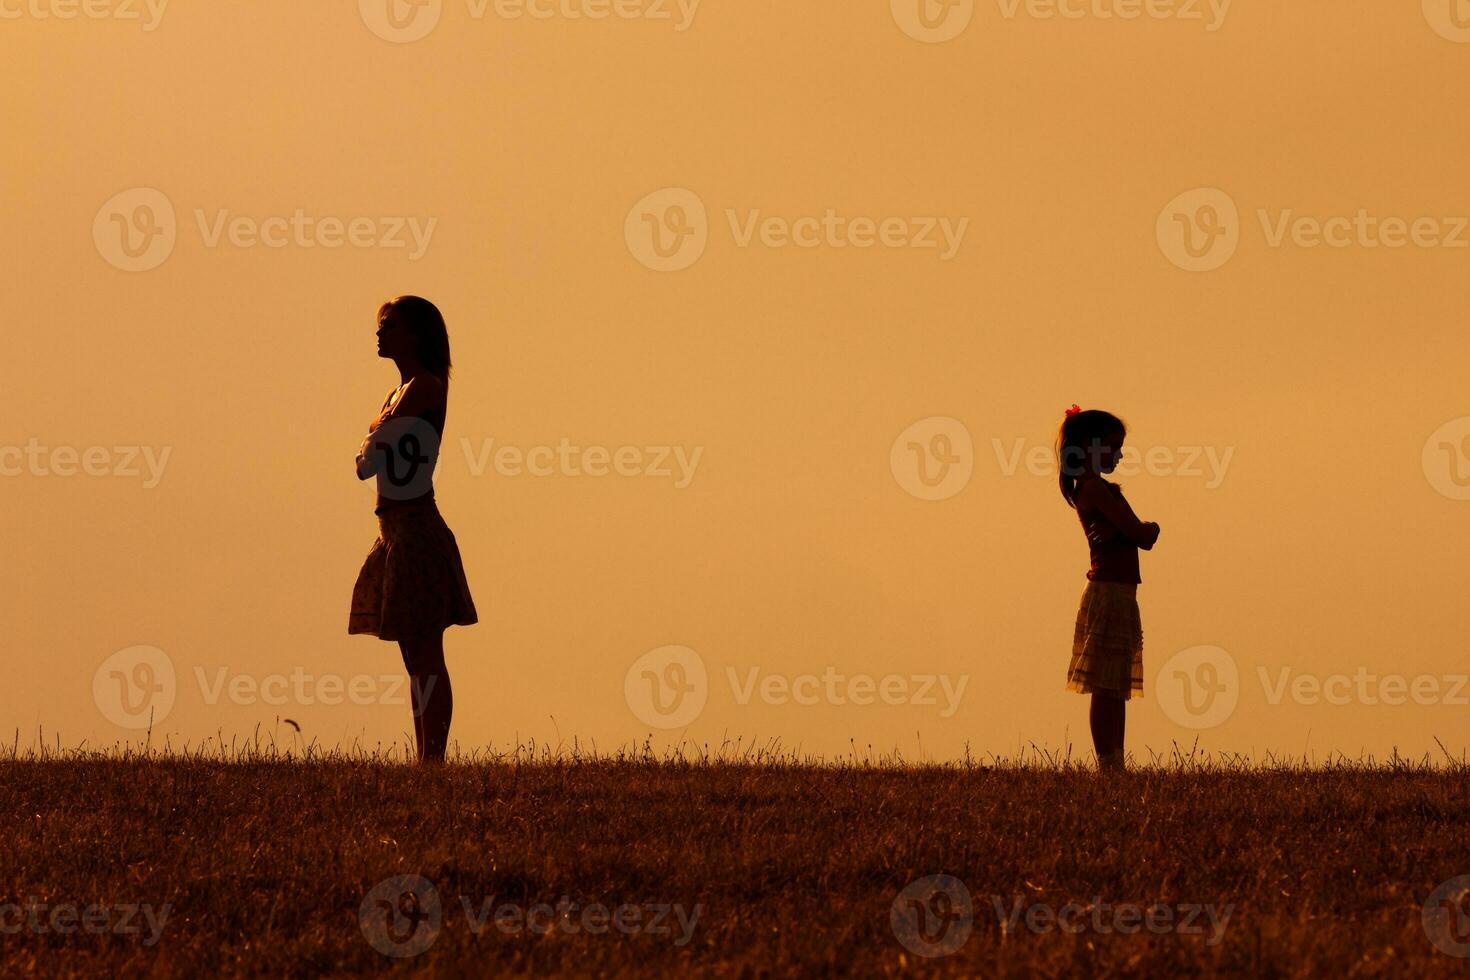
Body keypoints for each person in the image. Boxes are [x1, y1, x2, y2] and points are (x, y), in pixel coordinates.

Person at [348, 296, 478, 762]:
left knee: (426, 654)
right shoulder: (399, 391)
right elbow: (370, 453)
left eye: (391, 325)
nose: (381, 333)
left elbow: (372, 451)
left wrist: (371, 437)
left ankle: (433, 759)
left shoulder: (424, 386)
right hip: (394, 530)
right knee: (412, 656)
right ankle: (425, 757)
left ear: (417, 334)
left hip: (417, 528)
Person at [1056, 405, 1159, 771]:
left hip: (1120, 590)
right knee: (1106, 684)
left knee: (1115, 683)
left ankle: (1115, 759)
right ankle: (1109, 762)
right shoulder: (1096, 490)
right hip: (1110, 591)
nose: (1119, 455)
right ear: (1090, 446)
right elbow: (1138, 533)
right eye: (1113, 447)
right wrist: (1150, 528)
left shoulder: (1098, 490)